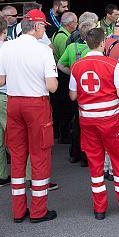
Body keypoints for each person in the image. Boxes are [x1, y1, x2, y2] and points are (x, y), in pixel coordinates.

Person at [0, 9, 59, 223]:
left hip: (14, 103)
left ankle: (18, 210)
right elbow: (52, 87)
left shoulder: (7, 47)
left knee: (18, 155)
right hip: (36, 105)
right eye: (43, 28)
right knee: (39, 155)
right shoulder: (43, 51)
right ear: (38, 26)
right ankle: (38, 211)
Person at [69, 28, 119, 220]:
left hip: (87, 121)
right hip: (110, 120)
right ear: (103, 43)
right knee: (118, 161)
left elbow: (73, 95)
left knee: (95, 163)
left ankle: (99, 209)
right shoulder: (111, 64)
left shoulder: (77, 66)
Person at [0, 17, 30, 187]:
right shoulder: (9, 48)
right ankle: (27, 175)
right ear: (5, 31)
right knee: (19, 137)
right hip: (7, 94)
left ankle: (0, 175)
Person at [58, 16, 97, 165]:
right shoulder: (93, 50)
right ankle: (87, 156)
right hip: (90, 91)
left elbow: (60, 65)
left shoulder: (71, 47)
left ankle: (75, 153)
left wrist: (72, 73)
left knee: (77, 122)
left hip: (75, 88)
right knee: (90, 124)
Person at [51, 12, 78, 144]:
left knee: (60, 106)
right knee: (65, 106)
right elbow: (64, 59)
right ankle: (63, 134)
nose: (77, 25)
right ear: (69, 24)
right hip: (63, 75)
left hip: (59, 74)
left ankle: (60, 131)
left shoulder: (58, 34)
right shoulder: (63, 38)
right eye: (76, 22)